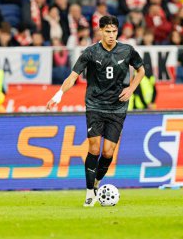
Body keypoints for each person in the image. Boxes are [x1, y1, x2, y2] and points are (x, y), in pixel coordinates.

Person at [46, 15, 145, 207]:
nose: (111, 35)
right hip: (95, 106)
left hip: (117, 107)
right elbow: (72, 76)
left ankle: (97, 182)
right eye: (107, 31)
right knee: (94, 147)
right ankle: (90, 192)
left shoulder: (127, 50)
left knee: (108, 152)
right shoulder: (90, 52)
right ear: (100, 31)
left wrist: (131, 88)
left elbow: (141, 70)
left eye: (114, 31)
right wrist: (58, 95)